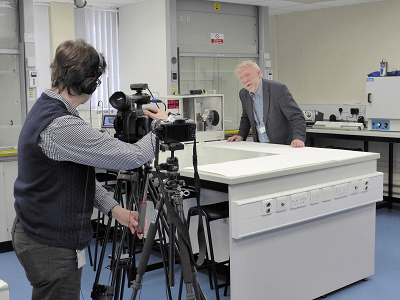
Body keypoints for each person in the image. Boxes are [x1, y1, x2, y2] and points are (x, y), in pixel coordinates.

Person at [12, 39, 167, 300]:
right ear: (89, 82)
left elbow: (73, 178)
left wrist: (113, 209)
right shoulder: (61, 124)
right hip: (51, 243)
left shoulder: (46, 108)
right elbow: (132, 157)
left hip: (39, 234)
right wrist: (164, 128)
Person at [227, 61, 306, 147]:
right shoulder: (243, 94)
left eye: (248, 75)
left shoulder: (278, 90)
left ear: (259, 73)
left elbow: (297, 116)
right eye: (241, 78)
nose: (245, 80)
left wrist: (298, 138)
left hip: (283, 145)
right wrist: (241, 135)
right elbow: (246, 117)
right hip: (260, 146)